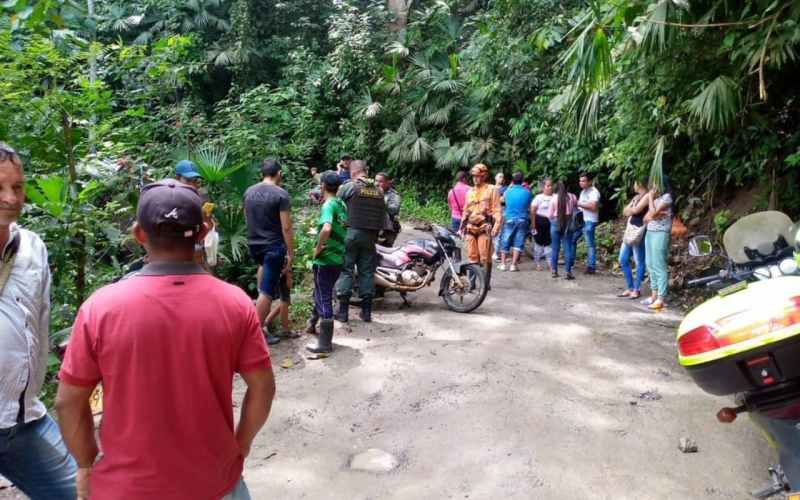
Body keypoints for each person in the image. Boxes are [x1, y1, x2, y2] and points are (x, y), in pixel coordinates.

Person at [55, 179, 276, 500]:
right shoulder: (235, 303)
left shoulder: (100, 308)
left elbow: (67, 402)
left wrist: (86, 463)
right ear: (202, 232)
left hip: (126, 489)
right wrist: (240, 445)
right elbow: (264, 387)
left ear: (138, 234)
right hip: (214, 483)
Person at [0, 142, 77, 500]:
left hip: (23, 420)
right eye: (0, 188)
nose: (10, 198)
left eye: (17, 186)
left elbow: (39, 320)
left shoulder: (33, 247)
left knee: (85, 491)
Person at [243, 158, 294, 345]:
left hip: (253, 244)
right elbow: (286, 227)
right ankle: (254, 333)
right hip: (273, 246)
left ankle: (261, 323)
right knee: (267, 291)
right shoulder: (280, 194)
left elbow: (247, 220)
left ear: (261, 174)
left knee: (263, 275)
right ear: (279, 173)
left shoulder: (248, 192)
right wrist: (291, 252)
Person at [334, 160, 386, 323]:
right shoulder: (379, 190)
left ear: (352, 173)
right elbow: (382, 216)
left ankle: (343, 312)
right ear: (366, 172)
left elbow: (336, 206)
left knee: (346, 270)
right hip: (370, 236)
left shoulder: (349, 187)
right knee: (367, 271)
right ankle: (367, 312)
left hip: (350, 234)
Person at [306, 171, 348, 353]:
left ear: (322, 185)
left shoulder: (328, 205)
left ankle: (325, 344)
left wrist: (317, 248)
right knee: (323, 291)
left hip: (325, 260)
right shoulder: (342, 204)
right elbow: (337, 229)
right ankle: (312, 323)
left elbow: (327, 228)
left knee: (324, 297)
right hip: (338, 257)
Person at [459, 163, 502, 289]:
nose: (475, 178)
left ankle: (485, 283)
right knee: (472, 256)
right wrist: (461, 228)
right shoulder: (470, 192)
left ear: (483, 176)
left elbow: (496, 209)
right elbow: (466, 211)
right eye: (474, 176)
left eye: (478, 176)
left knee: (485, 256)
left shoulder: (492, 189)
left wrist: (496, 227)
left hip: (485, 227)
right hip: (471, 227)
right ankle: (471, 283)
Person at [174, 159, 216, 271]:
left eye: (195, 181)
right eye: (188, 180)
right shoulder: (169, 199)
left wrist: (206, 218)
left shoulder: (199, 198)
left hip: (197, 254)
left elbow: (209, 227)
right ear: (177, 179)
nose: (192, 185)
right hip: (174, 256)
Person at [642, 175, 675, 310]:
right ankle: (654, 294)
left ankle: (661, 297)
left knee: (659, 264)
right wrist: (653, 213)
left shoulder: (667, 197)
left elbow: (653, 214)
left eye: (655, 184)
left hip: (661, 233)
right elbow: (646, 218)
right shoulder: (657, 199)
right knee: (650, 263)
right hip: (650, 231)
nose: (653, 187)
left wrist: (650, 198)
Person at [617, 178, 650, 300]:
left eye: (635, 182)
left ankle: (636, 289)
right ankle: (630, 287)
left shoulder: (646, 196)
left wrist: (632, 211)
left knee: (639, 260)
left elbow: (634, 210)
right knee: (623, 259)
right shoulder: (636, 198)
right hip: (630, 231)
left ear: (640, 184)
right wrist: (632, 211)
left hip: (639, 231)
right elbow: (625, 211)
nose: (633, 185)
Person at [498, 170, 533, 272]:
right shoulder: (527, 192)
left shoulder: (507, 192)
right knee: (519, 241)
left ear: (512, 181)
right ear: (522, 180)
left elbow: (502, 200)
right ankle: (514, 265)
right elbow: (528, 206)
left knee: (505, 240)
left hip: (509, 218)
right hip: (522, 219)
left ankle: (503, 264)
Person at [548, 179, 578, 280]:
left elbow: (550, 215)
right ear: (567, 187)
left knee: (555, 248)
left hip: (556, 223)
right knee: (567, 248)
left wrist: (554, 221)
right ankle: (568, 272)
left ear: (557, 187)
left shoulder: (553, 198)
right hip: (568, 223)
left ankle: (554, 272)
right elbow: (575, 209)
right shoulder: (573, 197)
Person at [571, 172, 601, 274]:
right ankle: (570, 261)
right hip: (581, 221)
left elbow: (593, 206)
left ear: (590, 181)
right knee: (572, 239)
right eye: (580, 181)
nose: (581, 183)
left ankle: (591, 266)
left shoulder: (594, 192)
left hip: (590, 220)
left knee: (590, 244)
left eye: (583, 181)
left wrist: (579, 204)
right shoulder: (583, 192)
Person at [531, 178, 554, 272]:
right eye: (548, 186)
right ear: (543, 187)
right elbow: (533, 210)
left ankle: (550, 263)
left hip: (551, 223)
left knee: (549, 244)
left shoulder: (555, 197)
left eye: (551, 185)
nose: (550, 187)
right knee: (538, 243)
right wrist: (533, 223)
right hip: (539, 222)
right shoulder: (538, 197)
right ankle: (537, 263)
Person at [376, 172, 401, 247]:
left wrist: (382, 202)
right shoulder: (372, 192)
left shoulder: (393, 195)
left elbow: (394, 210)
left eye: (380, 181)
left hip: (386, 228)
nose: (377, 183)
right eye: (376, 180)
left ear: (387, 183)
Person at [492, 171, 507, 261]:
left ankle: (498, 252)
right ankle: (496, 251)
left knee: (500, 231)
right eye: (499, 177)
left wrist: (495, 199)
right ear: (495, 178)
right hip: (492, 211)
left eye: (502, 177)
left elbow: (503, 200)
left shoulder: (505, 188)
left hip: (502, 211)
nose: (501, 178)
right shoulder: (491, 188)